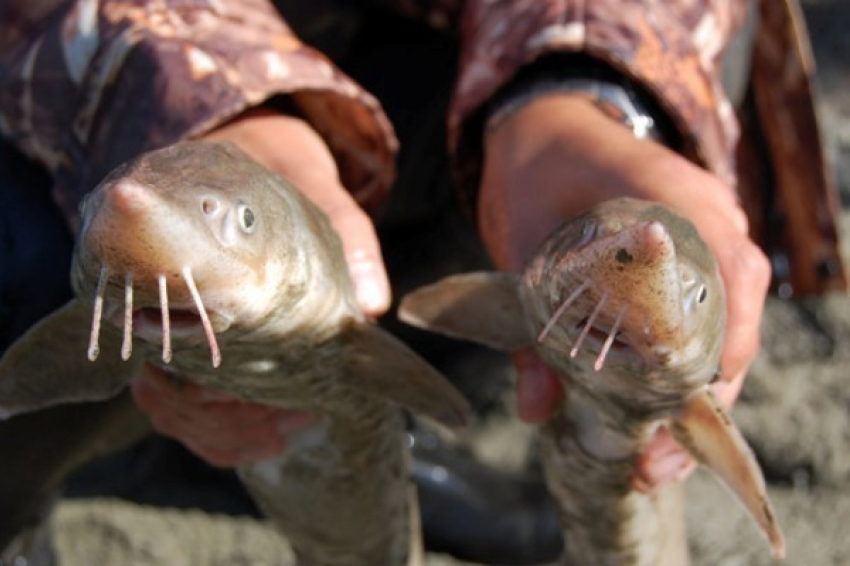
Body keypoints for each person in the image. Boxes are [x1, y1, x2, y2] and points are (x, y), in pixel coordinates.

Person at [0, 0, 843, 562]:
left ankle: (430, 424)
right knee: (37, 255)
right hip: (133, 90)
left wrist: (579, 82)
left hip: (447, 76)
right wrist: (189, 91)